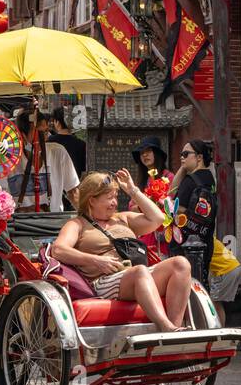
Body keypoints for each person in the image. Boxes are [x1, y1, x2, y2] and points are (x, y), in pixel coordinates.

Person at [51, 170, 194, 332]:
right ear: (92, 200)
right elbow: (58, 250)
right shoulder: (77, 224)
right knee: (139, 272)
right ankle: (166, 326)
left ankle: (175, 330)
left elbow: (158, 219)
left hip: (138, 275)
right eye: (109, 198)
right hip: (104, 280)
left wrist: (133, 190)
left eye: (116, 197)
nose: (114, 203)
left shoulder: (122, 218)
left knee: (180, 264)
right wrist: (95, 260)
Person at [11, 110, 79, 213]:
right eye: (38, 133)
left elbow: (73, 192)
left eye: (46, 132)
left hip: (54, 221)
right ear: (22, 135)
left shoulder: (58, 152)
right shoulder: (9, 159)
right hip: (19, 224)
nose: (44, 137)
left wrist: (87, 219)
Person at [170, 139, 218, 273]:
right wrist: (184, 166)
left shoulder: (190, 181)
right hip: (205, 242)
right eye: (181, 154)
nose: (181, 157)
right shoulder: (209, 179)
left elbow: (171, 196)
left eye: (185, 154)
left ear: (199, 157)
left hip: (184, 244)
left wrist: (171, 206)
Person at [49, 106, 87, 176]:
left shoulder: (49, 141)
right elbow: (83, 169)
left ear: (57, 122)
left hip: (54, 183)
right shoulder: (81, 144)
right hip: (74, 184)